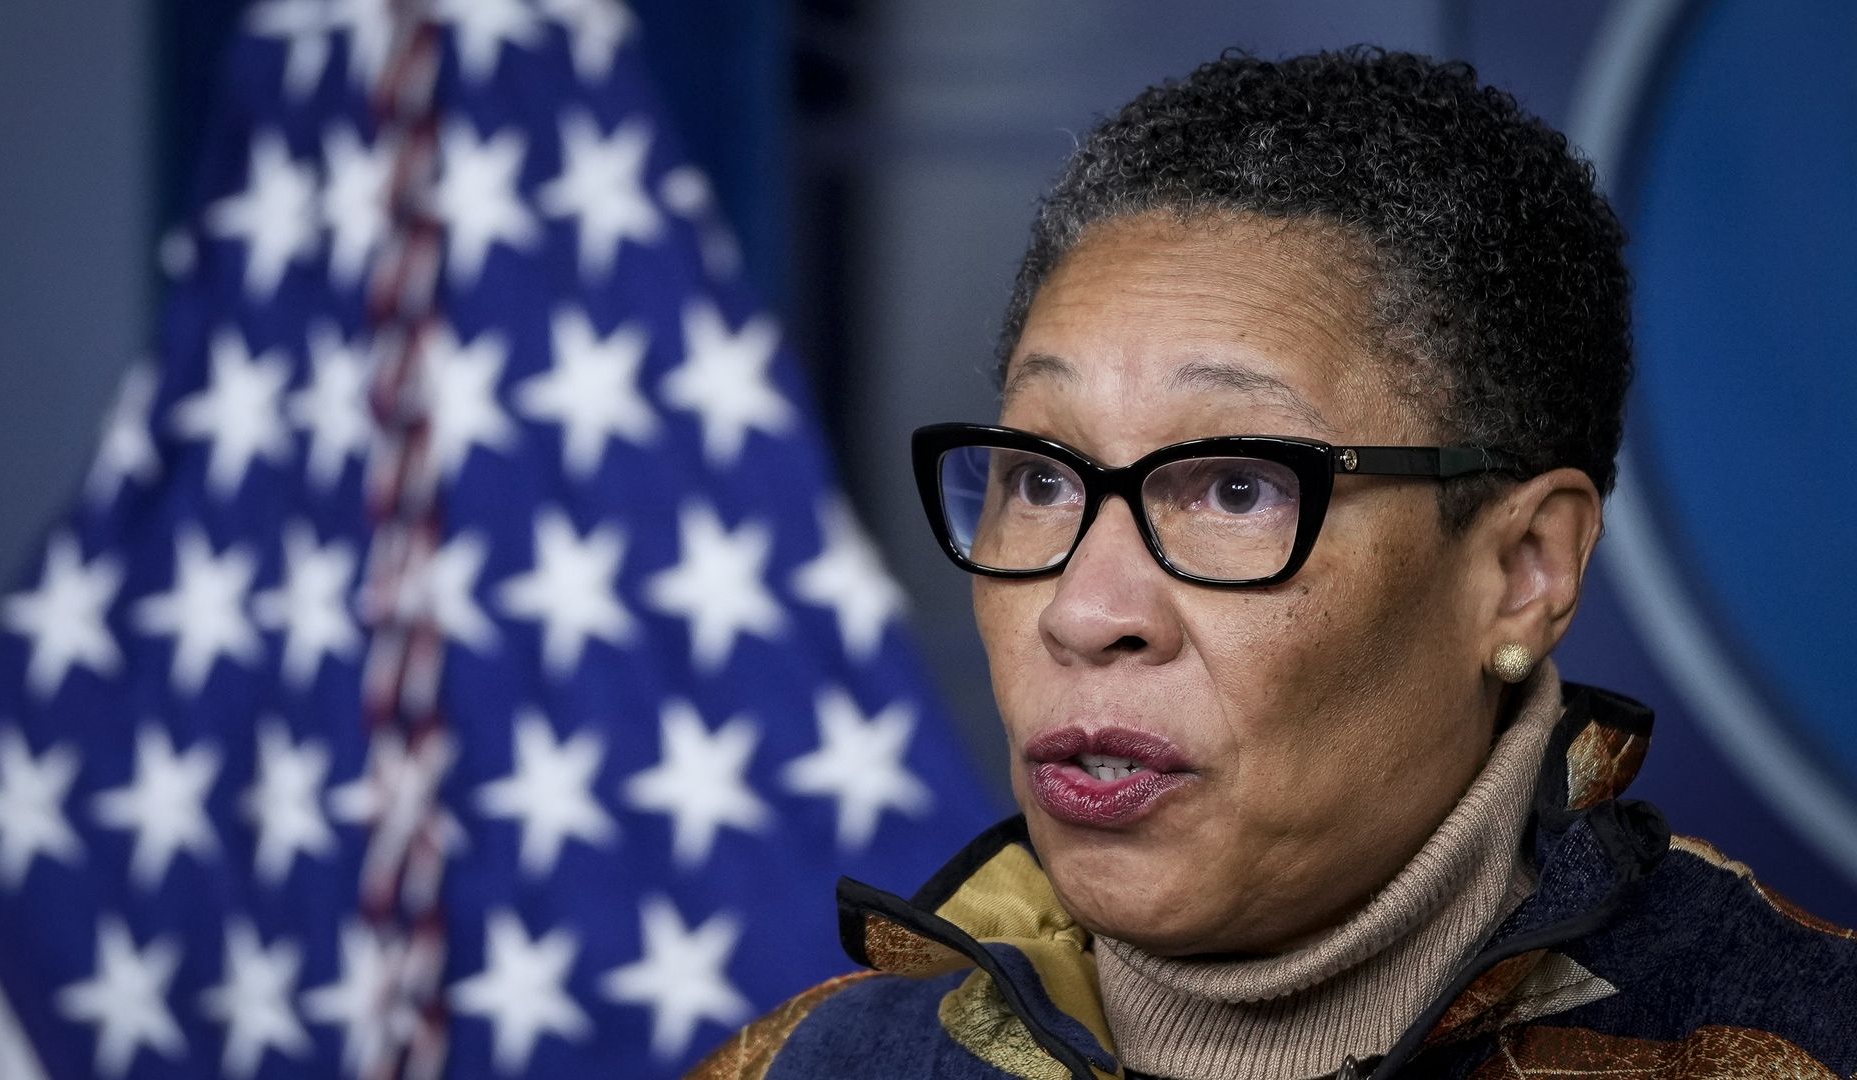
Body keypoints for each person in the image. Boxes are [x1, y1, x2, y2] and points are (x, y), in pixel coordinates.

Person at [691, 48, 1857, 1079]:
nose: (1086, 611)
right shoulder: (804, 1066)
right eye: (1042, 479)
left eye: (1238, 487)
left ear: (1523, 570)